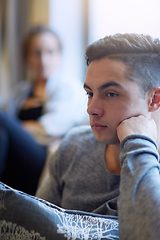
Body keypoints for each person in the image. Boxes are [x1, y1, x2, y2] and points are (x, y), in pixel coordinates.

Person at [36, 32, 160, 239]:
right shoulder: (73, 146)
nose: (91, 109)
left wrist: (138, 146)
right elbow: (33, 226)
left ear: (154, 99)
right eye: (90, 93)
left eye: (110, 94)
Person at [0, 25, 88, 195]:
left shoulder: (68, 87)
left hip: (43, 159)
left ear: (60, 55)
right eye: (36, 53)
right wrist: (21, 126)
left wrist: (19, 127)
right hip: (17, 159)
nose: (43, 60)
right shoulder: (22, 91)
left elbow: (47, 131)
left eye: (50, 52)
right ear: (27, 58)